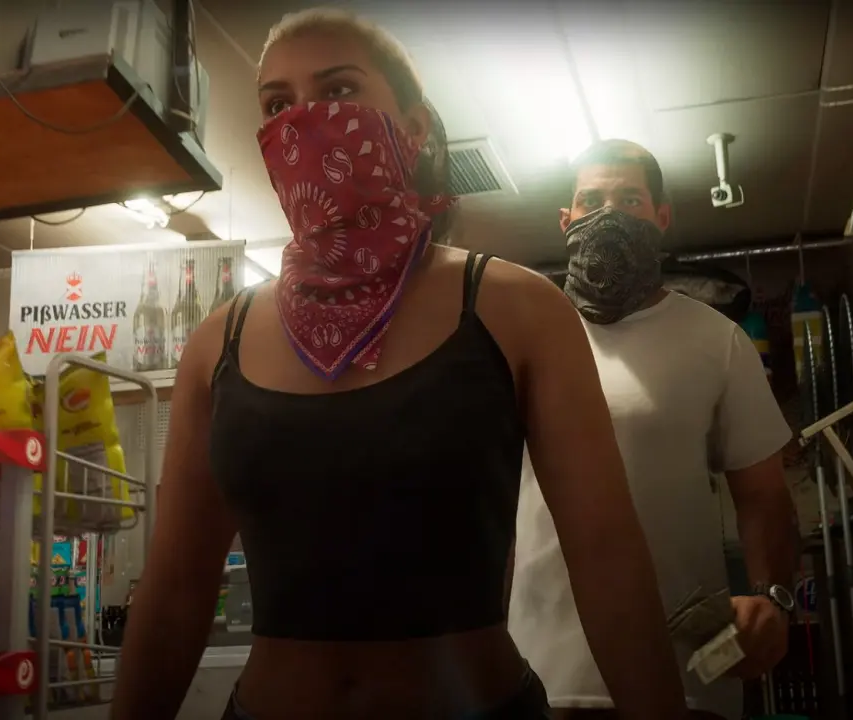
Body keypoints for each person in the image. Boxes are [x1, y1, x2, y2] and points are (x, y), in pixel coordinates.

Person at [109, 10, 687, 720]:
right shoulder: (216, 342)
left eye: (338, 90)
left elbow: (606, 556)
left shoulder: (519, 310)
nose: (304, 121)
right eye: (277, 105)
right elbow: (174, 590)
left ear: (414, 128)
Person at [508, 140, 799, 720]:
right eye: (591, 201)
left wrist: (774, 599)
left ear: (662, 217)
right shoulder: (522, 337)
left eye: (629, 200)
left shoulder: (717, 341)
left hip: (683, 675)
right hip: (538, 676)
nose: (607, 214)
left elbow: (765, 496)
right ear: (566, 220)